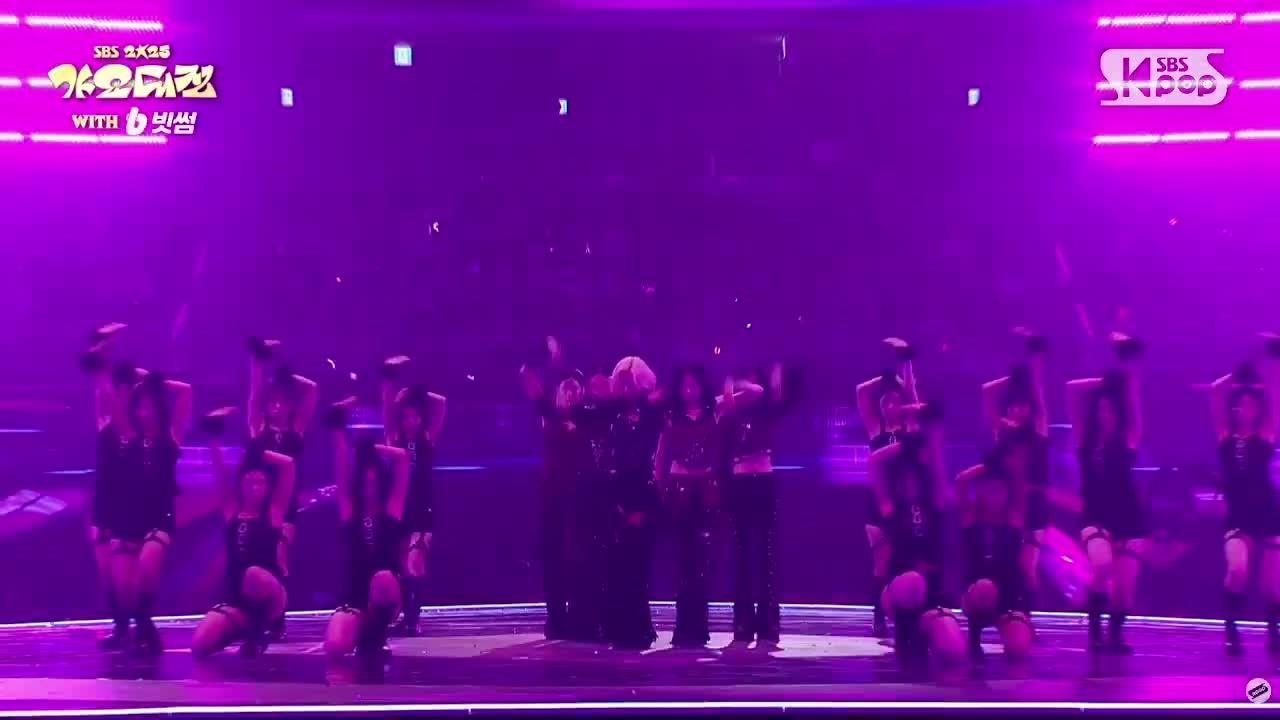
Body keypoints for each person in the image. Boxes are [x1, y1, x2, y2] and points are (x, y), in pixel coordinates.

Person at [190, 408, 295, 658]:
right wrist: (214, 439)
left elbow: (289, 465)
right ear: (241, 484)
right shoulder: (232, 511)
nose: (255, 488)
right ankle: (242, 628)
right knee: (200, 645)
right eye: (250, 482)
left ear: (268, 487)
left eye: (260, 483)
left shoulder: (274, 511)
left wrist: (259, 453)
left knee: (253, 574)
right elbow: (219, 471)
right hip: (237, 597)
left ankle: (259, 632)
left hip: (268, 591)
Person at [102, 370, 193, 654]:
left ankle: (144, 625)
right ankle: (136, 628)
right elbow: (112, 403)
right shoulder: (128, 434)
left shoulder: (171, 436)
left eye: (150, 406)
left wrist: (154, 380)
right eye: (140, 406)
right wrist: (133, 384)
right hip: (128, 517)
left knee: (146, 567)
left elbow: (186, 391)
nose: (145, 412)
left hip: (159, 516)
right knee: (123, 586)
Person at [1066, 333, 1145, 653]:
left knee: (1125, 594)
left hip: (1129, 517)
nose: (1105, 414)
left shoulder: (1129, 437)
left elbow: (1133, 391)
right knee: (1101, 566)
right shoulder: (1084, 439)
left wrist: (1121, 381)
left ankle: (1113, 635)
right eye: (1101, 409)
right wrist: (1105, 384)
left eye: (1111, 409)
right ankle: (1095, 633)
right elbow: (1071, 390)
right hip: (1095, 515)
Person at [870, 420, 963, 665]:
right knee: (913, 580)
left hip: (931, 597)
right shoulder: (891, 508)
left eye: (914, 478)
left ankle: (922, 633)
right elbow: (875, 462)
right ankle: (904, 633)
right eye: (904, 479)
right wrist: (905, 445)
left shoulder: (936, 504)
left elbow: (937, 459)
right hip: (898, 591)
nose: (910, 483)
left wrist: (925, 441)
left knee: (953, 650)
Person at [322, 402, 410, 657]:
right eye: (365, 482)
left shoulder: (391, 510)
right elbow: (341, 466)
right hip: (355, 596)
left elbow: (402, 459)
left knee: (382, 577)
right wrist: (341, 435)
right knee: (335, 647)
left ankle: (377, 634)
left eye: (374, 482)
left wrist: (370, 449)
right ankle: (361, 633)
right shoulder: (350, 512)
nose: (370, 488)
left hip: (386, 591)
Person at [246, 337, 318, 640]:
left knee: (280, 555)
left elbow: (312, 390)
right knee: (257, 560)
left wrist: (287, 379)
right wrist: (260, 363)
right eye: (272, 401)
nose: (276, 406)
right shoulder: (258, 427)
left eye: (282, 401)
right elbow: (254, 393)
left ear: (289, 404)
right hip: (256, 504)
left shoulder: (296, 431)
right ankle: (259, 615)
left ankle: (277, 618)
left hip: (285, 503)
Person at [1208, 351, 1280, 654]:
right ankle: (1231, 627)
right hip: (1238, 515)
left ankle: (1273, 632)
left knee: (1272, 583)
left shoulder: (1265, 435)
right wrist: (1235, 378)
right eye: (1240, 404)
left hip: (1267, 512)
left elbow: (1275, 394)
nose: (1244, 409)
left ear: (1257, 408)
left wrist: (1270, 366)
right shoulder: (1225, 436)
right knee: (1237, 569)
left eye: (1250, 404)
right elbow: (1215, 391)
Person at [981, 330, 1051, 615]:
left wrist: (1031, 370)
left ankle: (1025, 618)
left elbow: (1038, 390)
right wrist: (1013, 379)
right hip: (1007, 505)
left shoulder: (1039, 430)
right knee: (1006, 562)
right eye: (1015, 405)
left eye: (1024, 406)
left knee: (1028, 565)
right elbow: (987, 391)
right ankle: (1006, 613)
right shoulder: (1001, 431)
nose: (1019, 411)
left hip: (1034, 505)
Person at [720, 363, 789, 646]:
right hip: (739, 483)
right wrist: (734, 386)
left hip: (763, 481)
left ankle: (768, 621)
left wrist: (746, 386)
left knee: (766, 552)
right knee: (741, 552)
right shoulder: (730, 413)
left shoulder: (766, 410)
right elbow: (725, 395)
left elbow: (764, 391)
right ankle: (743, 621)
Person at [379, 356, 448, 637]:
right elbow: (386, 405)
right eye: (405, 416)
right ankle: (401, 615)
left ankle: (412, 619)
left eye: (414, 416)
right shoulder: (393, 438)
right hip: (398, 508)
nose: (410, 421)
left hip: (422, 507)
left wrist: (418, 393)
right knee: (399, 565)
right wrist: (395, 390)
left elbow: (441, 403)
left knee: (415, 563)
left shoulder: (427, 439)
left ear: (420, 418)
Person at [520, 349, 585, 640]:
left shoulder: (590, 418)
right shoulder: (550, 412)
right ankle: (557, 617)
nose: (570, 394)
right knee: (555, 557)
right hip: (554, 496)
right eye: (565, 389)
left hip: (581, 497)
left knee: (577, 557)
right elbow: (528, 378)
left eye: (575, 389)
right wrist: (544, 355)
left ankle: (579, 616)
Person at [79, 323, 137, 650]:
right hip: (104, 500)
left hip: (127, 501)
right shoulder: (105, 422)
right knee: (106, 568)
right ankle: (121, 624)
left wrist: (104, 364)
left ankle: (137, 622)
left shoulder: (135, 429)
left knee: (126, 569)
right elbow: (103, 399)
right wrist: (102, 357)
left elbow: (113, 403)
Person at [856, 338, 918, 636]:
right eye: (886, 402)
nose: (891, 405)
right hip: (878, 503)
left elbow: (913, 394)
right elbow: (860, 392)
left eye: (895, 401)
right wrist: (883, 379)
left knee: (905, 561)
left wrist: (904, 365)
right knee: (881, 562)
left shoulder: (910, 427)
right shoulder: (876, 429)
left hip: (905, 504)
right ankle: (878, 616)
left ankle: (905, 613)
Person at [655, 365, 720, 648]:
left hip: (704, 490)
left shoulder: (713, 414)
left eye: (694, 383)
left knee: (702, 561)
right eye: (685, 384)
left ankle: (699, 628)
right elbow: (661, 456)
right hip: (680, 490)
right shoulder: (671, 418)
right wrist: (661, 486)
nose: (690, 389)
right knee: (683, 560)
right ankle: (683, 628)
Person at [603, 357, 663, 650]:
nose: (627, 388)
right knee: (618, 564)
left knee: (639, 565)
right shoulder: (612, 417)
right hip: (617, 491)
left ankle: (639, 627)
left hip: (643, 490)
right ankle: (619, 628)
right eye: (622, 383)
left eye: (631, 383)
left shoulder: (651, 417)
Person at [956, 452, 1033, 663]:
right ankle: (974, 638)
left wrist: (1005, 469)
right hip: (977, 592)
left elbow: (1020, 484)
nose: (995, 495)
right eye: (990, 489)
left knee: (1019, 648)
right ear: (981, 491)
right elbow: (961, 481)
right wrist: (988, 467)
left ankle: (1010, 626)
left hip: (1007, 598)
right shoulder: (971, 518)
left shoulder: (1014, 519)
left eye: (999, 490)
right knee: (985, 587)